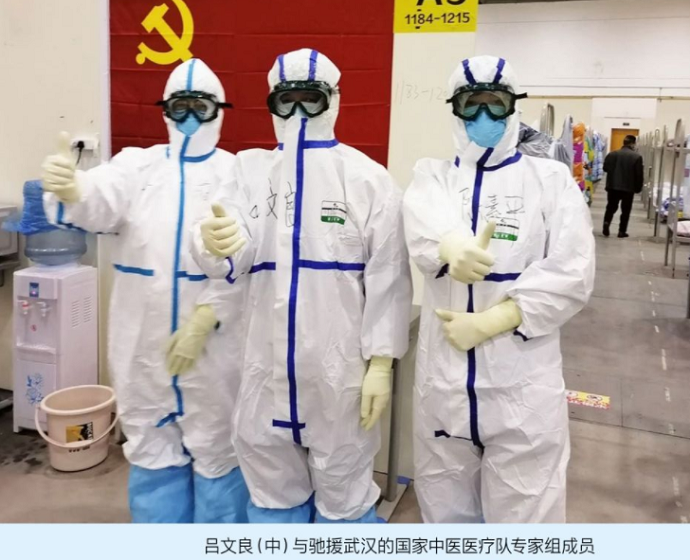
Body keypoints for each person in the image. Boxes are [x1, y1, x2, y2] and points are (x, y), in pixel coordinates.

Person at [192, 48, 412, 523]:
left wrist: (381, 363)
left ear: (333, 100)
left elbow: (390, 278)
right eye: (285, 100)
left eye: (310, 99)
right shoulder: (248, 172)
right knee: (272, 494)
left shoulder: (367, 179)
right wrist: (213, 242)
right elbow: (224, 253)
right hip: (261, 373)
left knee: (345, 497)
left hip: (337, 376)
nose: (297, 113)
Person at [40, 58, 249, 523]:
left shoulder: (238, 175)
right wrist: (73, 190)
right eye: (179, 107)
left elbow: (249, 263)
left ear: (220, 112)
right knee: (152, 448)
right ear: (165, 111)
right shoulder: (137, 167)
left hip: (216, 346)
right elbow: (101, 198)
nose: (190, 118)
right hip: (143, 345)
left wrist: (207, 318)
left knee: (218, 448)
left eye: (201, 107)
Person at [403, 55, 595, 523]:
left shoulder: (550, 181)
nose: (484, 116)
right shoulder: (433, 176)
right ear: (455, 110)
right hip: (444, 386)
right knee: (445, 515)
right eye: (471, 104)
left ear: (514, 107)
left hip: (522, 385)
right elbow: (423, 222)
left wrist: (498, 318)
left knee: (525, 517)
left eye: (496, 102)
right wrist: (450, 245)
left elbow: (573, 270)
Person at [602, 134, 643, 238]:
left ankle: (606, 223)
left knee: (611, 207)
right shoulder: (637, 157)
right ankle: (621, 231)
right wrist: (638, 188)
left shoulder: (612, 154)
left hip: (613, 186)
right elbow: (639, 174)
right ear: (633, 144)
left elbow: (605, 168)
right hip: (628, 188)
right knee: (626, 210)